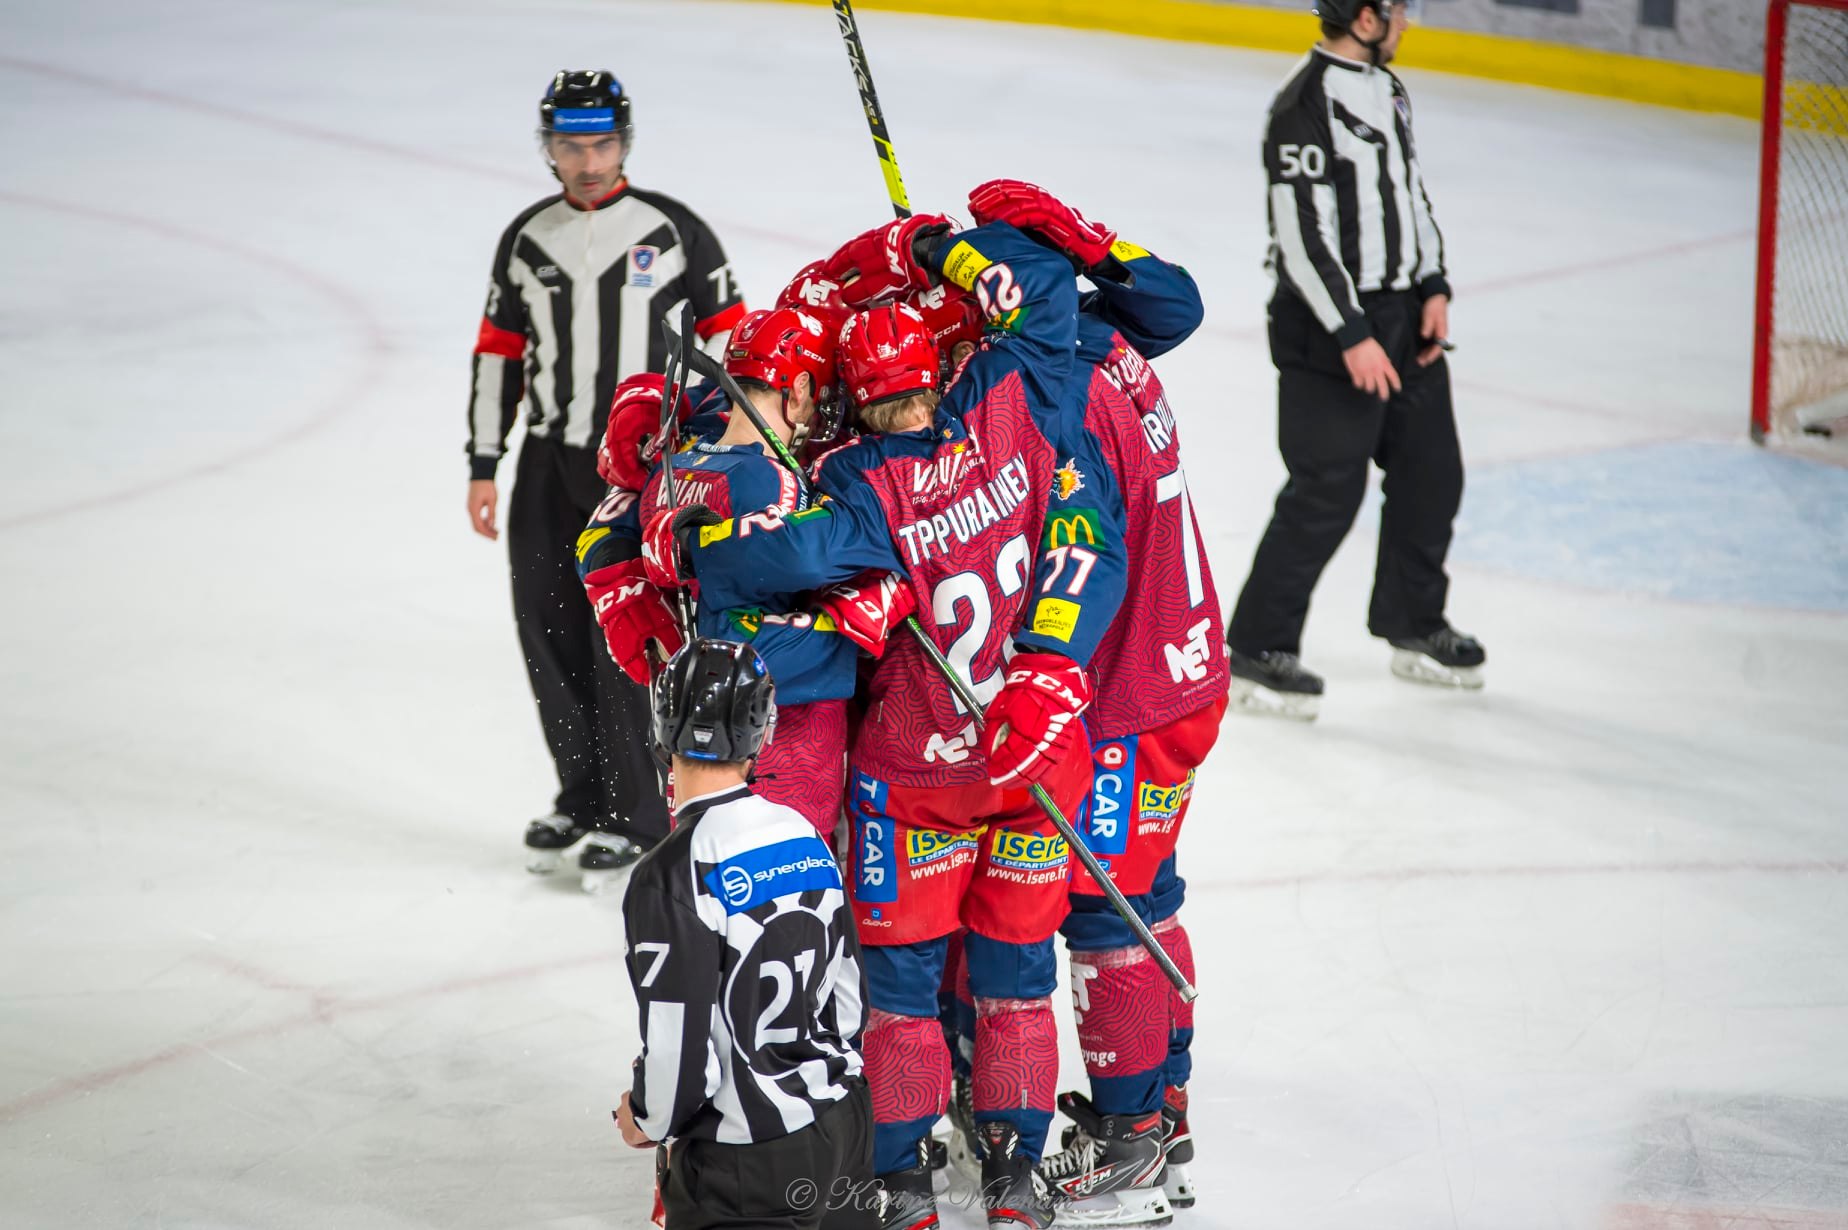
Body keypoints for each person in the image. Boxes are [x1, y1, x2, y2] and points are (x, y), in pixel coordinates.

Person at [645, 212, 1128, 1230]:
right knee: (1015, 981)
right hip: (1031, 760)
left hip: (915, 773)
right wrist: (946, 251)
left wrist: (699, 508)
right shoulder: (1014, 401)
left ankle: (901, 1183)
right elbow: (1039, 307)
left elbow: (763, 559)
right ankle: (1012, 1182)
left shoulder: (853, 481)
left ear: (853, 403)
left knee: (895, 988)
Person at [930, 184, 1227, 1227]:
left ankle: (1131, 1138)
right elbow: (1175, 305)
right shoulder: (1109, 336)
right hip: (1178, 665)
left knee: (1110, 907)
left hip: (1124, 689)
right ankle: (1164, 1102)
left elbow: (1076, 541)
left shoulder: (1054, 386)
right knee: (1148, 888)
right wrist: (1090, 246)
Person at [463, 69, 746, 879]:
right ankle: (580, 795)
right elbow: (498, 357)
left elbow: (733, 345)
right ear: (547, 148)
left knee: (625, 637)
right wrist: (484, 462)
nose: (588, 160)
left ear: (624, 141)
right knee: (547, 628)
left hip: (639, 468)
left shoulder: (675, 230)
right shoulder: (527, 238)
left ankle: (635, 807)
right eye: (569, 145)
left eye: (602, 143)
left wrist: (707, 451)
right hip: (548, 464)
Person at [1224, 0, 1484, 721]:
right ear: (1365, 19)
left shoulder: (1390, 90)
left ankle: (1414, 622)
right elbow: (1302, 239)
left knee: (1433, 473)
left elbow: (1410, 194)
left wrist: (1432, 284)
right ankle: (1255, 646)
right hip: (1329, 330)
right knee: (1325, 493)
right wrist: (1352, 333)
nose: (1410, 22)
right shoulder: (1302, 106)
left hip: (1403, 320)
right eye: (1399, 10)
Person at [577, 307, 864, 839]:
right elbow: (758, 627)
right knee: (788, 894)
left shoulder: (676, 465)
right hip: (775, 740)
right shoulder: (771, 483)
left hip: (692, 731)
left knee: (705, 875)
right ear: (797, 388)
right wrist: (850, 632)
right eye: (819, 393)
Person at [616, 638, 872, 1230]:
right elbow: (850, 1000)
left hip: (748, 1166)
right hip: (845, 1126)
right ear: (760, 734)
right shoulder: (803, 835)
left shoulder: (671, 872)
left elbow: (683, 1059)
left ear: (662, 726)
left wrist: (646, 1116)